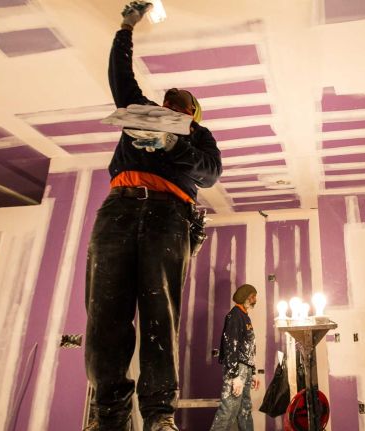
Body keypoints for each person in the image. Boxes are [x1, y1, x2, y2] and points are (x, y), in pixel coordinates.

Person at [84, 2, 221, 431]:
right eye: (168, 101)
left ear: (192, 114)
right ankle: (109, 416)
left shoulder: (200, 136)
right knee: (106, 313)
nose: (172, 102)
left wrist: (170, 144)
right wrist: (126, 28)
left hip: (169, 215)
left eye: (182, 105)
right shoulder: (144, 112)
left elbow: (210, 173)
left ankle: (159, 417)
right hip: (119, 209)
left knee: (159, 312)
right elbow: (121, 81)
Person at [210, 284, 260, 431]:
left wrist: (254, 371)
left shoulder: (245, 317)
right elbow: (230, 346)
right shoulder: (234, 316)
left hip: (246, 368)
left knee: (245, 410)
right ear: (244, 297)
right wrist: (234, 375)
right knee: (228, 410)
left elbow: (249, 347)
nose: (255, 299)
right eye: (252, 296)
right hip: (237, 369)